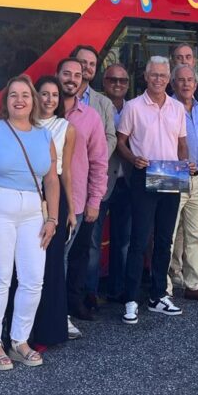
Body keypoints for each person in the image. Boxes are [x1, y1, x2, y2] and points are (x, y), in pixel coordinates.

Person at [0, 75, 60, 371]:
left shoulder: (44, 135)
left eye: (25, 95)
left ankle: (19, 340)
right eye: (13, 95)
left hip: (33, 210)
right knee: (0, 277)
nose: (20, 100)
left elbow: (51, 179)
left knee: (33, 278)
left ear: (33, 101)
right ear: (5, 101)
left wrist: (52, 218)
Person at [116, 57, 192, 324]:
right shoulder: (133, 107)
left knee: (164, 239)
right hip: (144, 176)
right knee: (139, 240)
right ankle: (130, 299)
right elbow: (120, 142)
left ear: (168, 79)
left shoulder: (177, 108)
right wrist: (132, 158)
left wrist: (185, 165)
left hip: (171, 176)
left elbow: (181, 144)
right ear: (146, 77)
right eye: (154, 75)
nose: (158, 79)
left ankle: (158, 295)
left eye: (163, 75)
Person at [57, 58, 108, 322]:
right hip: (42, 201)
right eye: (67, 74)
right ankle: (55, 312)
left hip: (78, 201)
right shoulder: (41, 110)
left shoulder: (90, 117)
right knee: (54, 259)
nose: (72, 79)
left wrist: (95, 201)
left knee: (77, 256)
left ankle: (72, 305)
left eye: (77, 75)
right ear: (57, 75)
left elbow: (99, 162)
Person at [165, 64, 198, 304]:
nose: (186, 84)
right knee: (168, 234)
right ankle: (164, 288)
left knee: (195, 235)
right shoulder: (167, 108)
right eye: (181, 80)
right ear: (173, 83)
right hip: (176, 177)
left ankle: (194, 285)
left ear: (196, 84)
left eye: (190, 80)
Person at [31, 75, 77, 347]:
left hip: (54, 194)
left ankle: (49, 331)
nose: (49, 100)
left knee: (52, 265)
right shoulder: (24, 122)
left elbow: (66, 171)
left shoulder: (66, 128)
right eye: (45, 93)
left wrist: (70, 209)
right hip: (26, 191)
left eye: (55, 95)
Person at [85, 63, 131, 307]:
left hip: (127, 182)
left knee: (123, 240)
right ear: (104, 82)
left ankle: (117, 290)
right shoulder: (94, 106)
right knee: (93, 242)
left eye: (123, 80)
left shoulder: (134, 108)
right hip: (100, 182)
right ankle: (89, 293)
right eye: (113, 79)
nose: (118, 84)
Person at [71, 45, 117, 159]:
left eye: (92, 64)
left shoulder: (105, 103)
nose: (88, 67)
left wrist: (97, 162)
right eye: (83, 62)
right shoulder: (57, 98)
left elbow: (110, 138)